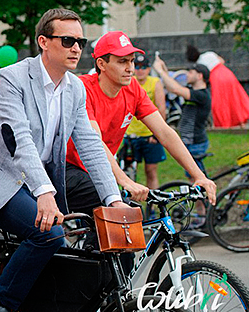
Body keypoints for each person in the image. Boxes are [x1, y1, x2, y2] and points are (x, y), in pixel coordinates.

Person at [0, 9, 124, 312]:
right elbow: (18, 140)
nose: (76, 48)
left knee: (64, 266)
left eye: (80, 42)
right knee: (49, 234)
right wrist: (45, 193)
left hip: (34, 183)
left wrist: (113, 198)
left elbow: (90, 146)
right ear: (43, 42)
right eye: (67, 40)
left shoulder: (75, 90)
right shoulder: (11, 78)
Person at [64, 32, 216, 222]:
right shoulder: (83, 88)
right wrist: (124, 181)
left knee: (124, 231)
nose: (130, 69)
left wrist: (198, 176)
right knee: (120, 216)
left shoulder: (133, 89)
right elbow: (94, 142)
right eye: (122, 62)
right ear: (101, 64)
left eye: (131, 61)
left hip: (99, 171)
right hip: (68, 168)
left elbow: (165, 132)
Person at [153, 57, 212, 174]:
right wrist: (164, 70)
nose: (187, 75)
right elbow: (171, 87)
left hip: (195, 142)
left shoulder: (202, 95)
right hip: (189, 140)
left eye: (190, 72)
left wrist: (160, 71)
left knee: (197, 177)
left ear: (200, 76)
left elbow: (175, 89)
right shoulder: (191, 90)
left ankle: (208, 192)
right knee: (195, 176)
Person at [124, 52, 166, 191]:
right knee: (128, 173)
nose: (140, 70)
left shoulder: (155, 82)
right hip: (131, 134)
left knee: (151, 171)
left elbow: (161, 108)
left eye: (144, 67)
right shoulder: (128, 81)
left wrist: (157, 134)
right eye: (138, 67)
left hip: (149, 134)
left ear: (149, 69)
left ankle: (152, 207)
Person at [186, 45, 249, 128]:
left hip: (216, 79)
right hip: (226, 73)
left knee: (221, 102)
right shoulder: (209, 54)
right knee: (234, 98)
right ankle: (241, 122)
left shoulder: (199, 64)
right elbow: (222, 61)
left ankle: (224, 124)